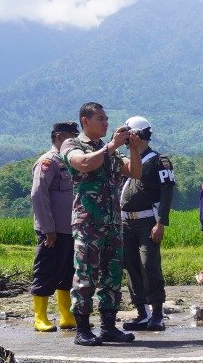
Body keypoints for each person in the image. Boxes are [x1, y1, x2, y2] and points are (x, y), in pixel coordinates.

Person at [59, 102, 141, 347]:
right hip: (88, 222)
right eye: (101, 119)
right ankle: (83, 329)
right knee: (85, 274)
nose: (106, 123)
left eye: (106, 119)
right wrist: (112, 145)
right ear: (85, 121)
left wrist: (133, 148)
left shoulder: (109, 149)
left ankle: (108, 327)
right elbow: (84, 163)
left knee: (112, 276)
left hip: (113, 222)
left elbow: (134, 172)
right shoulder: (72, 144)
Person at [119, 116, 175, 332]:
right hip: (125, 222)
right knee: (131, 266)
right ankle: (142, 313)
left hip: (147, 221)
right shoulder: (126, 161)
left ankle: (157, 314)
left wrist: (161, 222)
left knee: (148, 264)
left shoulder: (159, 161)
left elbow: (167, 192)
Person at [29, 121, 78, 333]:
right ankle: (40, 317)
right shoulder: (48, 162)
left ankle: (66, 315)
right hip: (53, 231)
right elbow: (38, 195)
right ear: (59, 137)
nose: (75, 141)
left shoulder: (71, 161)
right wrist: (48, 228)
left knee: (68, 272)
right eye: (71, 137)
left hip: (71, 228)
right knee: (46, 270)